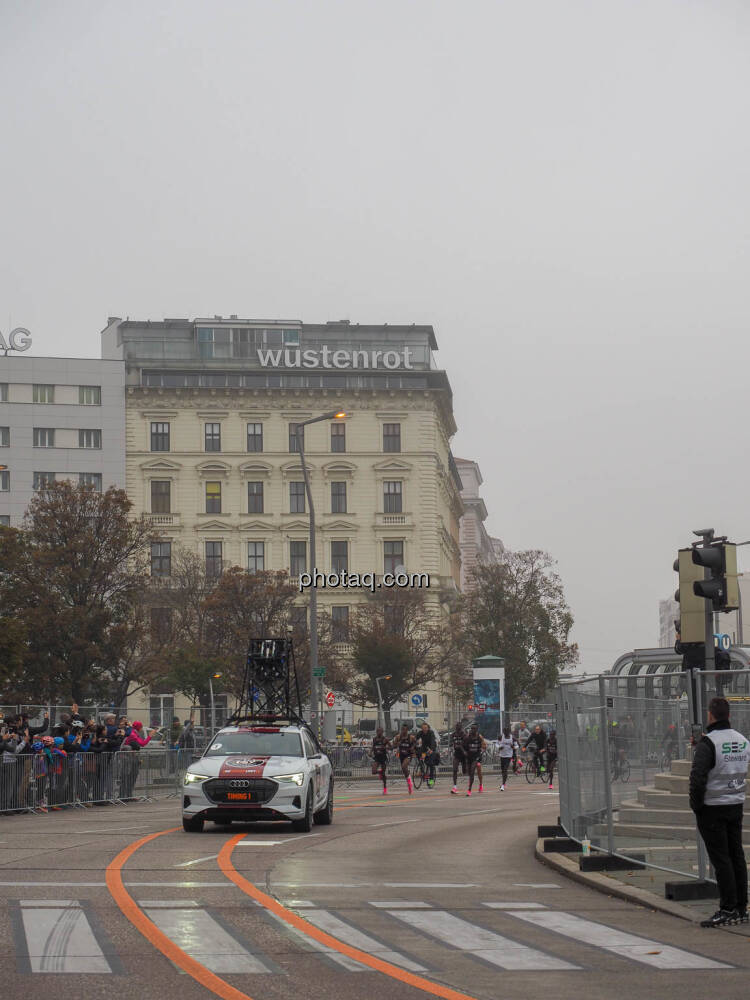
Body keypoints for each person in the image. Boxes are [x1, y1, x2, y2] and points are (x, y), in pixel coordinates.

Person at [689, 696, 749, 927]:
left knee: (721, 859)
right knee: (736, 856)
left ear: (711, 715)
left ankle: (726, 908)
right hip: (735, 805)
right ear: (729, 715)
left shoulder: (709, 743)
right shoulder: (742, 741)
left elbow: (698, 778)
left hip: (712, 808)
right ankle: (741, 907)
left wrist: (696, 805)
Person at [463, 723, 486, 796]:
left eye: (474, 729)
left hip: (477, 757)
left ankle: (471, 788)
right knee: (469, 773)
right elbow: (463, 746)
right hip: (469, 757)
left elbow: (484, 746)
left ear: (477, 730)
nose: (472, 730)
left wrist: (481, 751)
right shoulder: (467, 737)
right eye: (471, 728)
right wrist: (464, 752)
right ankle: (472, 783)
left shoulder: (479, 737)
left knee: (476, 770)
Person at [416, 721, 437, 787]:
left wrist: (431, 749)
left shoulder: (431, 733)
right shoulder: (420, 733)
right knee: (419, 755)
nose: (424, 729)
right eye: (423, 728)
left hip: (431, 748)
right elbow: (415, 738)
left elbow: (433, 741)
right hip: (424, 749)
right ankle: (422, 770)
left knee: (430, 764)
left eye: (425, 728)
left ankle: (431, 780)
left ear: (428, 728)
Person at [395, 725, 414, 793]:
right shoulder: (398, 737)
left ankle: (431, 782)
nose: (403, 731)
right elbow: (394, 745)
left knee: (404, 766)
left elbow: (416, 743)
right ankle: (409, 781)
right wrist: (397, 743)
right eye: (402, 729)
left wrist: (413, 748)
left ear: (407, 730)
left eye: (405, 730)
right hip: (401, 755)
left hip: (408, 755)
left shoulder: (411, 737)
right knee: (404, 769)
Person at [371, 727, 390, 795]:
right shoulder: (374, 739)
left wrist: (386, 747)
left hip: (383, 758)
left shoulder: (385, 739)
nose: (378, 732)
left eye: (380, 731)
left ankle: (385, 789)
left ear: (382, 732)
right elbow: (373, 746)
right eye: (377, 731)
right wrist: (370, 752)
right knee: (373, 771)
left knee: (384, 774)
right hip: (377, 757)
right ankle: (380, 773)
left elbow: (391, 747)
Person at [449, 722, 467, 795]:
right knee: (454, 769)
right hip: (456, 754)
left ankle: (470, 780)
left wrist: (461, 747)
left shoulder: (464, 734)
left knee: (464, 771)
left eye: (459, 726)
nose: (457, 728)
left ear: (461, 727)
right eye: (456, 726)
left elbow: (465, 743)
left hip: (463, 754)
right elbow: (451, 742)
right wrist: (452, 743)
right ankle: (455, 787)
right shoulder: (453, 734)